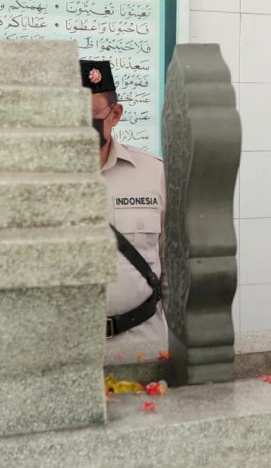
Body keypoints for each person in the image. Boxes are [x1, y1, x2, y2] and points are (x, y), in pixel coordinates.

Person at [80, 60, 168, 342]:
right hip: (66, 348)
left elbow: (176, 264)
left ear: (115, 114)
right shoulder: (38, 179)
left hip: (141, 340)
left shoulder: (154, 173)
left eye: (89, 114)